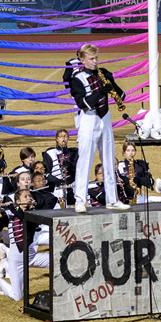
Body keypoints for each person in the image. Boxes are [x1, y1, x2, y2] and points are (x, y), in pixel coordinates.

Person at [69, 43, 129, 212]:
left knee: (109, 159)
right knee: (85, 159)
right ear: (82, 59)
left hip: (105, 117)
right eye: (91, 59)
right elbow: (84, 103)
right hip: (89, 119)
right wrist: (101, 90)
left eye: (96, 58)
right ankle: (80, 200)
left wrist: (113, 86)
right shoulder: (77, 79)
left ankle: (112, 199)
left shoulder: (104, 73)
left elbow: (122, 95)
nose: (95, 62)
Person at [0, 189, 49, 300]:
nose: (29, 198)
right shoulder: (11, 216)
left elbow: (24, 218)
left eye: (30, 196)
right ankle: (0, 281)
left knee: (58, 261)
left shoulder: (34, 213)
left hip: (31, 256)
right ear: (18, 201)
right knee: (18, 297)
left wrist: (12, 208)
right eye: (25, 196)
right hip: (17, 260)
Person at [43, 129, 78, 207]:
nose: (63, 139)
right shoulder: (49, 153)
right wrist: (57, 181)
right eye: (60, 136)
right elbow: (45, 172)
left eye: (65, 136)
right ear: (56, 139)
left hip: (72, 187)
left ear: (68, 138)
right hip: (57, 188)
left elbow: (77, 170)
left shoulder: (74, 152)